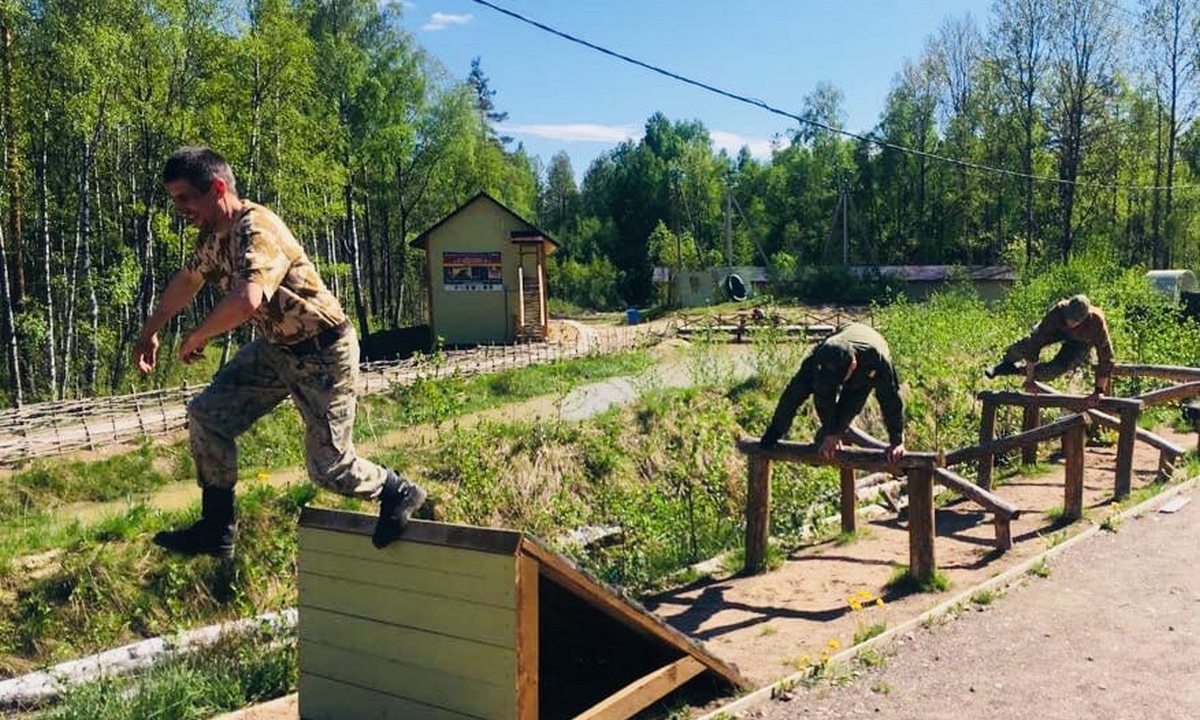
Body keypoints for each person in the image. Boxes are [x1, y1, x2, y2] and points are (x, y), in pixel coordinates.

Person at [132, 147, 426, 558]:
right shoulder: (214, 238)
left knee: (330, 468)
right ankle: (217, 527)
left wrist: (198, 336)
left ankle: (399, 491)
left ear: (217, 188)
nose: (180, 208)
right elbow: (188, 280)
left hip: (324, 352)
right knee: (207, 415)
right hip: (276, 350)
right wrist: (149, 331)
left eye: (185, 198)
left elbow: (247, 299)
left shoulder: (259, 229)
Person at [760, 323, 906, 463]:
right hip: (839, 338)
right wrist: (773, 433)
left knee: (846, 411)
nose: (836, 383)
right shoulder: (820, 356)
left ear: (853, 365)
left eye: (841, 378)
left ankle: (828, 437)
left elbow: (890, 401)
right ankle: (774, 434)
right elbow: (799, 396)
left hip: (867, 361)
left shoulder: (877, 361)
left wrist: (896, 441)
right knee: (796, 391)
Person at [984, 294, 1114, 404]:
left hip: (1080, 343)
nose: (1070, 323)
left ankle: (1013, 371)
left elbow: (1106, 357)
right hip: (1058, 331)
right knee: (1026, 344)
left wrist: (1099, 391)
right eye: (1068, 318)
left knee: (1055, 370)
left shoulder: (1096, 322)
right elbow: (1035, 343)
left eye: (1074, 321)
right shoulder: (1059, 311)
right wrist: (1029, 381)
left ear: (1085, 318)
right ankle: (1004, 364)